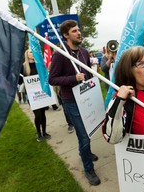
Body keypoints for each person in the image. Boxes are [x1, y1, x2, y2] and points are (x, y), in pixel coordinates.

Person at [48, 20, 100, 186]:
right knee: (83, 134)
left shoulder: (84, 52)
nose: (79, 33)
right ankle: (88, 168)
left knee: (89, 129)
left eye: (79, 30)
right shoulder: (60, 54)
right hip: (72, 101)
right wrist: (73, 78)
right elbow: (52, 79)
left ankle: (86, 152)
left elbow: (87, 73)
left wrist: (93, 82)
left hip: (87, 98)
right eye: (74, 31)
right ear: (65, 35)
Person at [23, 49, 51, 142]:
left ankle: (44, 132)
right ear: (27, 55)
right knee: (38, 115)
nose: (32, 53)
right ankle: (38, 133)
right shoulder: (23, 67)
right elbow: (19, 81)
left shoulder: (39, 65)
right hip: (32, 96)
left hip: (42, 94)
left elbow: (45, 76)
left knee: (43, 114)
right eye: (30, 52)